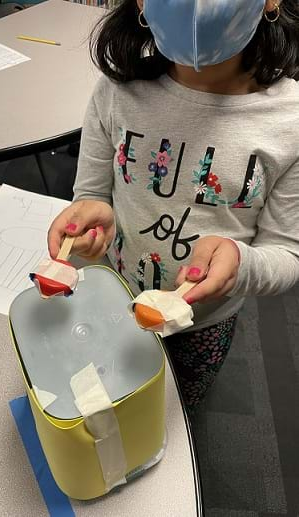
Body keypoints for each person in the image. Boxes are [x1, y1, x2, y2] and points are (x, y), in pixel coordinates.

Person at [48, 0, 299, 409]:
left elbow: (288, 252)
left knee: (177, 410)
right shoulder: (117, 89)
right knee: (108, 394)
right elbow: (91, 193)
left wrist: (240, 261)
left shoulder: (290, 120)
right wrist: (91, 217)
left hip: (201, 325)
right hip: (113, 296)